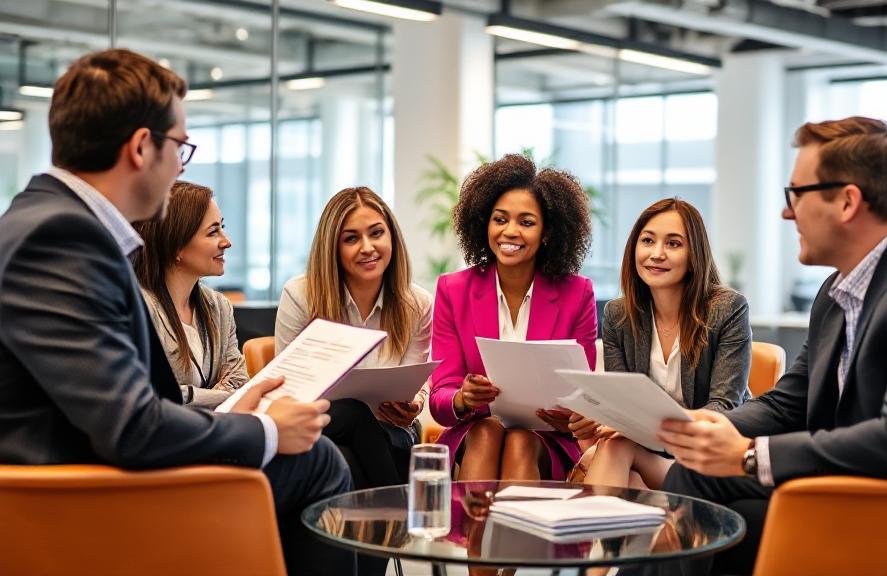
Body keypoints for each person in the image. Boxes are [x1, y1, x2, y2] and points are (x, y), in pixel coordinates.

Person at [0, 49, 354, 576]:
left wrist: (234, 418)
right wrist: (268, 431)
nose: (179, 168)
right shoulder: (61, 239)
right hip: (81, 503)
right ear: (143, 147)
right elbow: (132, 427)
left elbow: (118, 406)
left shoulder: (47, 223)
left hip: (83, 477)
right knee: (316, 460)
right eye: (180, 148)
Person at [641, 116, 887, 576]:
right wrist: (708, 426)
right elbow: (789, 404)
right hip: (866, 483)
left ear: (847, 202)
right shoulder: (838, 291)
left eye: (796, 195)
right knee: (695, 476)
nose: (788, 213)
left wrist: (747, 455)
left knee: (725, 527)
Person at [428, 153, 598, 482]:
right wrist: (463, 397)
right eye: (500, 219)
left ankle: (490, 533)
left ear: (547, 232)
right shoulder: (453, 290)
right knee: (488, 431)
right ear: (484, 223)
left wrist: (575, 415)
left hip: (546, 441)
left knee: (520, 441)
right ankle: (476, 532)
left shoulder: (578, 294)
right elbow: (440, 399)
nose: (510, 231)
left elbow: (582, 397)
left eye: (526, 222)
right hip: (476, 432)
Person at [574, 198, 751, 489]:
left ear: (695, 255)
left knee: (616, 452)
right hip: (644, 455)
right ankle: (606, 535)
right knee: (618, 459)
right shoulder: (619, 315)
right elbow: (623, 401)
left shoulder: (728, 309)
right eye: (647, 241)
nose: (656, 254)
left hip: (705, 458)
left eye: (673, 244)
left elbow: (724, 407)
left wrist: (646, 426)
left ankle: (587, 534)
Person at [276, 186, 433, 489]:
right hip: (320, 424)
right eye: (351, 238)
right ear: (332, 248)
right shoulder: (300, 296)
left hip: (391, 430)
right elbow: (288, 388)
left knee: (350, 452)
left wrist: (414, 402)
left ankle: (383, 524)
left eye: (376, 233)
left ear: (392, 238)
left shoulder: (417, 303)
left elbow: (416, 379)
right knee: (352, 413)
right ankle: (398, 518)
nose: (367, 247)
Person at [132, 181, 247, 409]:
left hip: (216, 429)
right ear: (177, 246)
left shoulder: (219, 306)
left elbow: (239, 382)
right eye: (213, 232)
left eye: (222, 228)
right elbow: (153, 395)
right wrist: (216, 395)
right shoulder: (141, 308)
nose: (227, 241)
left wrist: (188, 397)